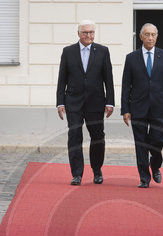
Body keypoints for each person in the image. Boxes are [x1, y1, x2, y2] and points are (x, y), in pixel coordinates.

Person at [56, 20, 115, 185]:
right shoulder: (68, 52)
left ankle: (97, 170)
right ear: (79, 34)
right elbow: (62, 79)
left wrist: (110, 102)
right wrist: (60, 102)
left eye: (91, 32)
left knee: (97, 137)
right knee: (74, 136)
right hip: (73, 102)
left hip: (96, 102)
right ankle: (77, 174)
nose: (88, 35)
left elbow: (108, 79)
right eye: (85, 32)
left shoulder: (103, 51)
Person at [121, 23, 163, 188]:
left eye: (153, 34)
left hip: (159, 107)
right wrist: (125, 110)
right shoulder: (131, 58)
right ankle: (144, 178)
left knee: (157, 140)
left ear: (157, 36)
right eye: (147, 34)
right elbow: (126, 85)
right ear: (141, 37)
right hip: (138, 107)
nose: (150, 38)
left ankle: (156, 165)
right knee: (141, 143)